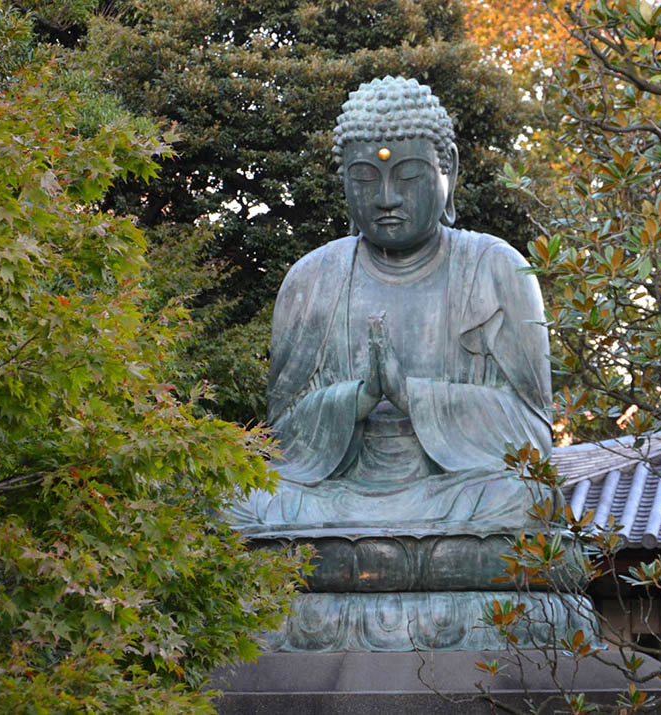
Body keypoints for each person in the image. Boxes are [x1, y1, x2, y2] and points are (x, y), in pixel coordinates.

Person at [233, 76, 553, 532]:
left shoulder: (495, 268)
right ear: (344, 182)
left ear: (449, 171)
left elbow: (534, 439)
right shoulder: (312, 278)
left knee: (526, 496)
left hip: (458, 491)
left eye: (409, 176)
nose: (386, 198)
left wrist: (412, 396)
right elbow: (281, 440)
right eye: (365, 178)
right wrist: (357, 399)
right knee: (243, 500)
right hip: (333, 495)